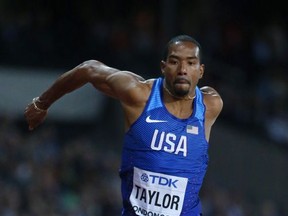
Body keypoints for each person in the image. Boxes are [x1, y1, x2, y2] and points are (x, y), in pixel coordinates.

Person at [24, 35, 223, 216]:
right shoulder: (139, 96)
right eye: (174, 61)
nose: (182, 70)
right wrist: (41, 103)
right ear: (163, 67)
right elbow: (89, 69)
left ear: (201, 70)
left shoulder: (210, 106)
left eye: (191, 63)